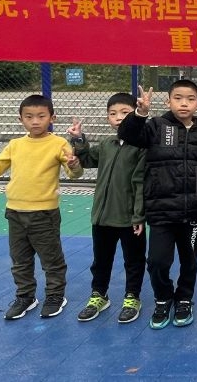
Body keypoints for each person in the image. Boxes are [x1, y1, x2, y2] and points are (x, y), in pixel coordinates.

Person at [0, 94, 83, 320]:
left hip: (44, 214)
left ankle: (55, 296)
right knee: (20, 261)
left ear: (52, 118)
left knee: (51, 260)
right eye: (29, 116)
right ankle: (25, 297)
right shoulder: (15, 145)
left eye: (41, 116)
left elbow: (74, 173)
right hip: (15, 213)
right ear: (20, 119)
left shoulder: (59, 143)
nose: (35, 121)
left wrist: (75, 163)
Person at [119, 80, 197, 329]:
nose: (184, 103)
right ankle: (163, 298)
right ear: (168, 101)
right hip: (161, 210)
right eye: (178, 98)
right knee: (157, 261)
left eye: (190, 99)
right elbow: (128, 135)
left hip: (193, 211)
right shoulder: (155, 125)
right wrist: (140, 113)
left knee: (190, 260)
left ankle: (184, 299)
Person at [67, 92, 147, 325]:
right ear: (107, 118)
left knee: (134, 260)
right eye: (113, 113)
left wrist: (139, 215)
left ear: (135, 115)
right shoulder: (106, 144)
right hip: (102, 217)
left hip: (129, 218)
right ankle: (99, 295)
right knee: (101, 260)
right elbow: (87, 159)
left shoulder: (141, 147)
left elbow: (140, 183)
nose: (118, 117)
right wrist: (79, 140)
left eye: (125, 112)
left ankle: (132, 297)